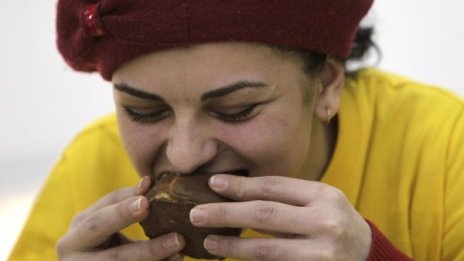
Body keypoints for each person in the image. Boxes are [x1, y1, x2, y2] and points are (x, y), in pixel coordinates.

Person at [9, 0, 464, 260]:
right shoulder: (91, 168)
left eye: (236, 109)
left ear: (326, 84)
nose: (185, 156)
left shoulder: (443, 149)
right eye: (144, 111)